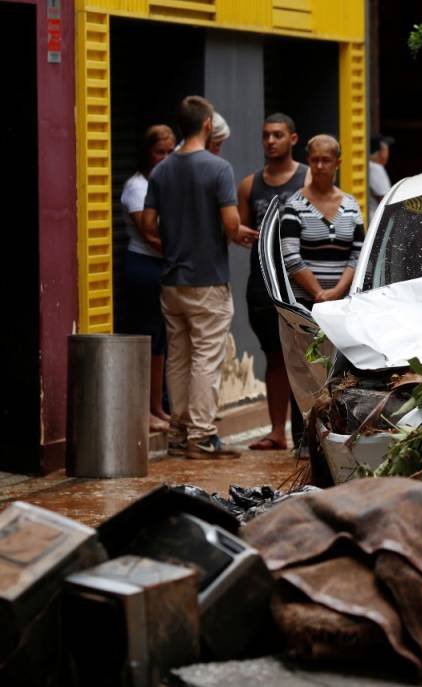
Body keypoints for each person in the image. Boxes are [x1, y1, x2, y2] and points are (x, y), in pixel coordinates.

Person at [140, 95, 259, 459]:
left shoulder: (161, 171)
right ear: (208, 125)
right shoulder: (218, 168)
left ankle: (178, 434)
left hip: (172, 280)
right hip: (207, 280)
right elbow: (229, 222)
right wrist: (236, 232)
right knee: (206, 358)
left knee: (178, 356)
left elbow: (147, 224)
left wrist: (176, 245)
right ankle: (202, 436)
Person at [238, 113, 308, 452]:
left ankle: (307, 432)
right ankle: (277, 432)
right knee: (275, 358)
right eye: (266, 135)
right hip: (262, 286)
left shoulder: (308, 179)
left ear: (292, 139)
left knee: (306, 360)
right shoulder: (250, 185)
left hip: (301, 286)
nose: (270, 141)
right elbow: (241, 229)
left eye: (278, 135)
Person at [120, 124, 176, 433]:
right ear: (146, 152)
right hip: (143, 267)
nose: (165, 158)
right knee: (145, 339)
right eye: (159, 152)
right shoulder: (137, 187)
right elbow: (151, 234)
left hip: (163, 267)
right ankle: (142, 409)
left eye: (170, 152)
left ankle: (156, 407)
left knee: (159, 343)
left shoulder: (162, 184)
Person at [280, 134, 364, 308]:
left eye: (326, 160)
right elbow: (290, 256)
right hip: (303, 304)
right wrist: (320, 294)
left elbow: (358, 255)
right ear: (308, 161)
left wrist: (338, 291)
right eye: (315, 160)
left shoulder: (351, 205)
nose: (319, 166)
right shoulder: (294, 205)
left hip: (342, 303)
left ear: (337, 163)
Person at [367, 134, 393, 219]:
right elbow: (385, 200)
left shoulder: (369, 166)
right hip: (376, 220)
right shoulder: (376, 168)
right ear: (382, 152)